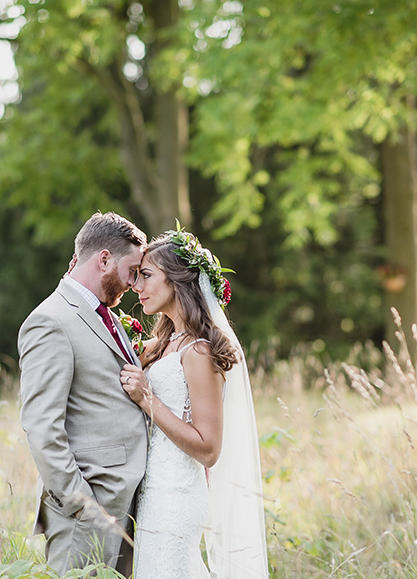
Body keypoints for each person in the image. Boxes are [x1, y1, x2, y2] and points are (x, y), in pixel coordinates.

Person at [120, 228, 268, 579]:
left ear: (176, 281)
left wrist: (148, 400)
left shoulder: (198, 350)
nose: (137, 287)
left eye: (146, 276)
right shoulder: (165, 343)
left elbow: (208, 448)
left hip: (177, 495)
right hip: (154, 491)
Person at [18, 211, 148, 575]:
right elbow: (42, 426)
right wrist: (82, 503)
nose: (135, 284)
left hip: (124, 504)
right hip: (88, 511)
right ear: (104, 259)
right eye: (133, 271)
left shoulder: (103, 315)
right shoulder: (51, 321)